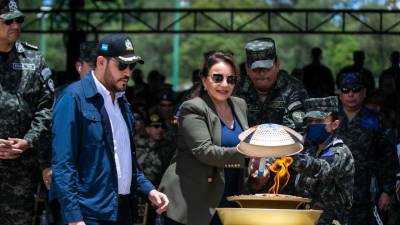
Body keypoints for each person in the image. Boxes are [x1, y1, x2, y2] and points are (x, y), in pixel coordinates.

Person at [51, 34, 168, 225]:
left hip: (122, 211)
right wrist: (74, 217)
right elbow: (63, 164)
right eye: (121, 65)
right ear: (101, 62)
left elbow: (125, 161)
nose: (128, 72)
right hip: (88, 214)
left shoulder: (122, 102)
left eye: (132, 66)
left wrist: (149, 190)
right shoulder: (73, 98)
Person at [159, 51, 249, 225]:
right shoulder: (192, 108)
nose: (224, 84)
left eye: (231, 79)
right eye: (217, 78)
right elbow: (204, 151)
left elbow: (243, 145)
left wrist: (255, 164)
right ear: (204, 79)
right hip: (192, 203)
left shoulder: (239, 105)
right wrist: (247, 154)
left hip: (228, 199)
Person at [0, 0, 54, 224]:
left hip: (21, 168)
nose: (15, 25)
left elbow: (46, 108)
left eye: (19, 20)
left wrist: (29, 141)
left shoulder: (33, 59)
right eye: (7, 20)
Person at [335, 72, 399, 225]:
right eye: (345, 90)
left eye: (356, 89)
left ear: (364, 93)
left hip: (367, 196)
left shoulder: (377, 120)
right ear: (339, 94)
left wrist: (387, 191)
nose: (351, 94)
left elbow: (388, 157)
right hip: (333, 195)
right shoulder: (329, 120)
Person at [290, 96, 354, 225]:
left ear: (334, 124)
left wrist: (291, 156)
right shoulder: (309, 150)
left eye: (319, 120)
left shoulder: (340, 152)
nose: (313, 125)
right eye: (310, 121)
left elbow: (323, 168)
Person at [235, 37, 307, 132]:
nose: (261, 73)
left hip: (284, 145)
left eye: (266, 68)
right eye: (256, 69)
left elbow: (297, 130)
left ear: (277, 65)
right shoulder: (237, 89)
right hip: (245, 146)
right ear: (247, 68)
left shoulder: (293, 88)